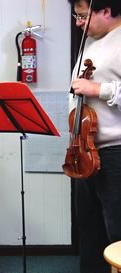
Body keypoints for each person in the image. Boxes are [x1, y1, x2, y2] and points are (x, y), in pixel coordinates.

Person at [68, 0, 121, 272]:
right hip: (84, 150)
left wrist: (99, 89)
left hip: (115, 153)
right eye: (76, 16)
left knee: (117, 231)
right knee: (88, 230)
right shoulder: (90, 42)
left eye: (83, 16)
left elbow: (96, 89)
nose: (79, 23)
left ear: (107, 10)